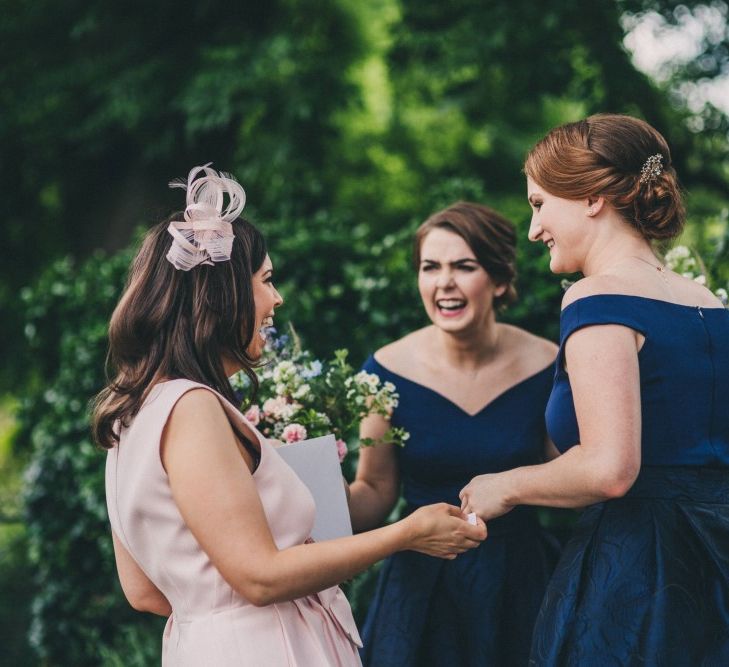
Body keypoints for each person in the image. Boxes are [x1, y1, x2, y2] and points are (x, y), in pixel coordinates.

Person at [92, 165, 486, 667]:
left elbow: (143, 591)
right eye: (267, 280)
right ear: (220, 293)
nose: (276, 299)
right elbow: (261, 576)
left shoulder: (129, 414)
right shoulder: (192, 408)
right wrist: (407, 533)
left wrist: (216, 614)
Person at [459, 114, 729, 665]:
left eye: (539, 204)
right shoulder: (704, 298)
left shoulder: (596, 299)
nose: (533, 229)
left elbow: (610, 468)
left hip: (644, 574)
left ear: (590, 197)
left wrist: (505, 485)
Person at [347, 202, 559, 666]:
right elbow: (375, 492)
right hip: (420, 585)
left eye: (464, 266)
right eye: (430, 267)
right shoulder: (383, 372)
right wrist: (305, 488)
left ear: (500, 280)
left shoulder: (551, 364)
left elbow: (574, 478)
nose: (444, 282)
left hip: (517, 582)